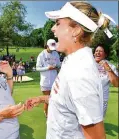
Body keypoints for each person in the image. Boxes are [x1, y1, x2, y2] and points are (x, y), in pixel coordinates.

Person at [25, 1, 115, 138]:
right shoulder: (72, 61)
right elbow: (67, 100)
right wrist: (43, 98)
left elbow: (96, 136)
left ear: (76, 30)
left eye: (58, 23)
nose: (53, 29)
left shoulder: (80, 73)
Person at [36, 39, 61, 118]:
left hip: (55, 81)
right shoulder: (41, 55)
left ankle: (51, 114)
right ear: (47, 46)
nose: (52, 50)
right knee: (48, 99)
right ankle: (47, 114)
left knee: (54, 99)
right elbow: (37, 68)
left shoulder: (56, 54)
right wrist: (48, 68)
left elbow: (59, 65)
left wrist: (56, 67)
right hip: (45, 81)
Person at [94, 44, 118, 117]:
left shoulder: (110, 66)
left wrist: (106, 67)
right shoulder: (88, 63)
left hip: (101, 100)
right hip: (87, 98)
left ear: (105, 54)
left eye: (100, 51)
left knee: (98, 123)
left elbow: (116, 84)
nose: (98, 53)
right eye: (96, 51)